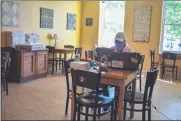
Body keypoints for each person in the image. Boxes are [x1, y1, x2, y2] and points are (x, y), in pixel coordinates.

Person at [102, 32, 133, 111]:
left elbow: (133, 64)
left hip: (124, 75)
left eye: (120, 42)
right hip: (113, 73)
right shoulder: (112, 49)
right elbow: (107, 61)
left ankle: (118, 106)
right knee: (103, 84)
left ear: (124, 42)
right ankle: (107, 103)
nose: (118, 43)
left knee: (119, 86)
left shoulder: (129, 51)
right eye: (116, 41)